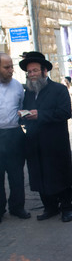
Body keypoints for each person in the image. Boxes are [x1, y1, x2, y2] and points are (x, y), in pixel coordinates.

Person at [19, 51, 72, 222]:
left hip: (55, 143)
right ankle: (50, 207)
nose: (32, 75)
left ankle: (66, 208)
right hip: (35, 142)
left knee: (59, 175)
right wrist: (23, 115)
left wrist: (40, 114)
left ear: (44, 71)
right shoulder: (28, 92)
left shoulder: (58, 89)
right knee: (40, 175)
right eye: (29, 72)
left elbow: (65, 112)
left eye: (35, 71)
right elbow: (27, 112)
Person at [0, 53, 30, 223]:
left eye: (11, 66)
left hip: (14, 134)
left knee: (16, 174)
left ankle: (17, 207)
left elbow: (21, 108)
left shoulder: (18, 86)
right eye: (7, 67)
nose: (11, 70)